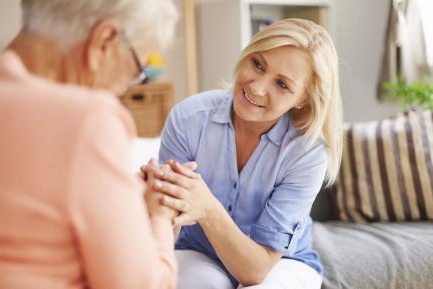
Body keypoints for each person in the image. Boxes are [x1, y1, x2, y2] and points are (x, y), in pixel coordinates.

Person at [0, 1, 179, 289]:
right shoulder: (89, 119)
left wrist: (120, 198)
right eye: (136, 68)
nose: (126, 87)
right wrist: (160, 218)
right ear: (104, 41)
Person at [144, 18, 343, 289]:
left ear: (303, 100)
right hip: (198, 252)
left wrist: (206, 207)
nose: (257, 87)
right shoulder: (189, 118)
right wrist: (151, 204)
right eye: (258, 64)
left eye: (282, 84)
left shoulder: (307, 152)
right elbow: (166, 228)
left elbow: (256, 271)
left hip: (282, 263)